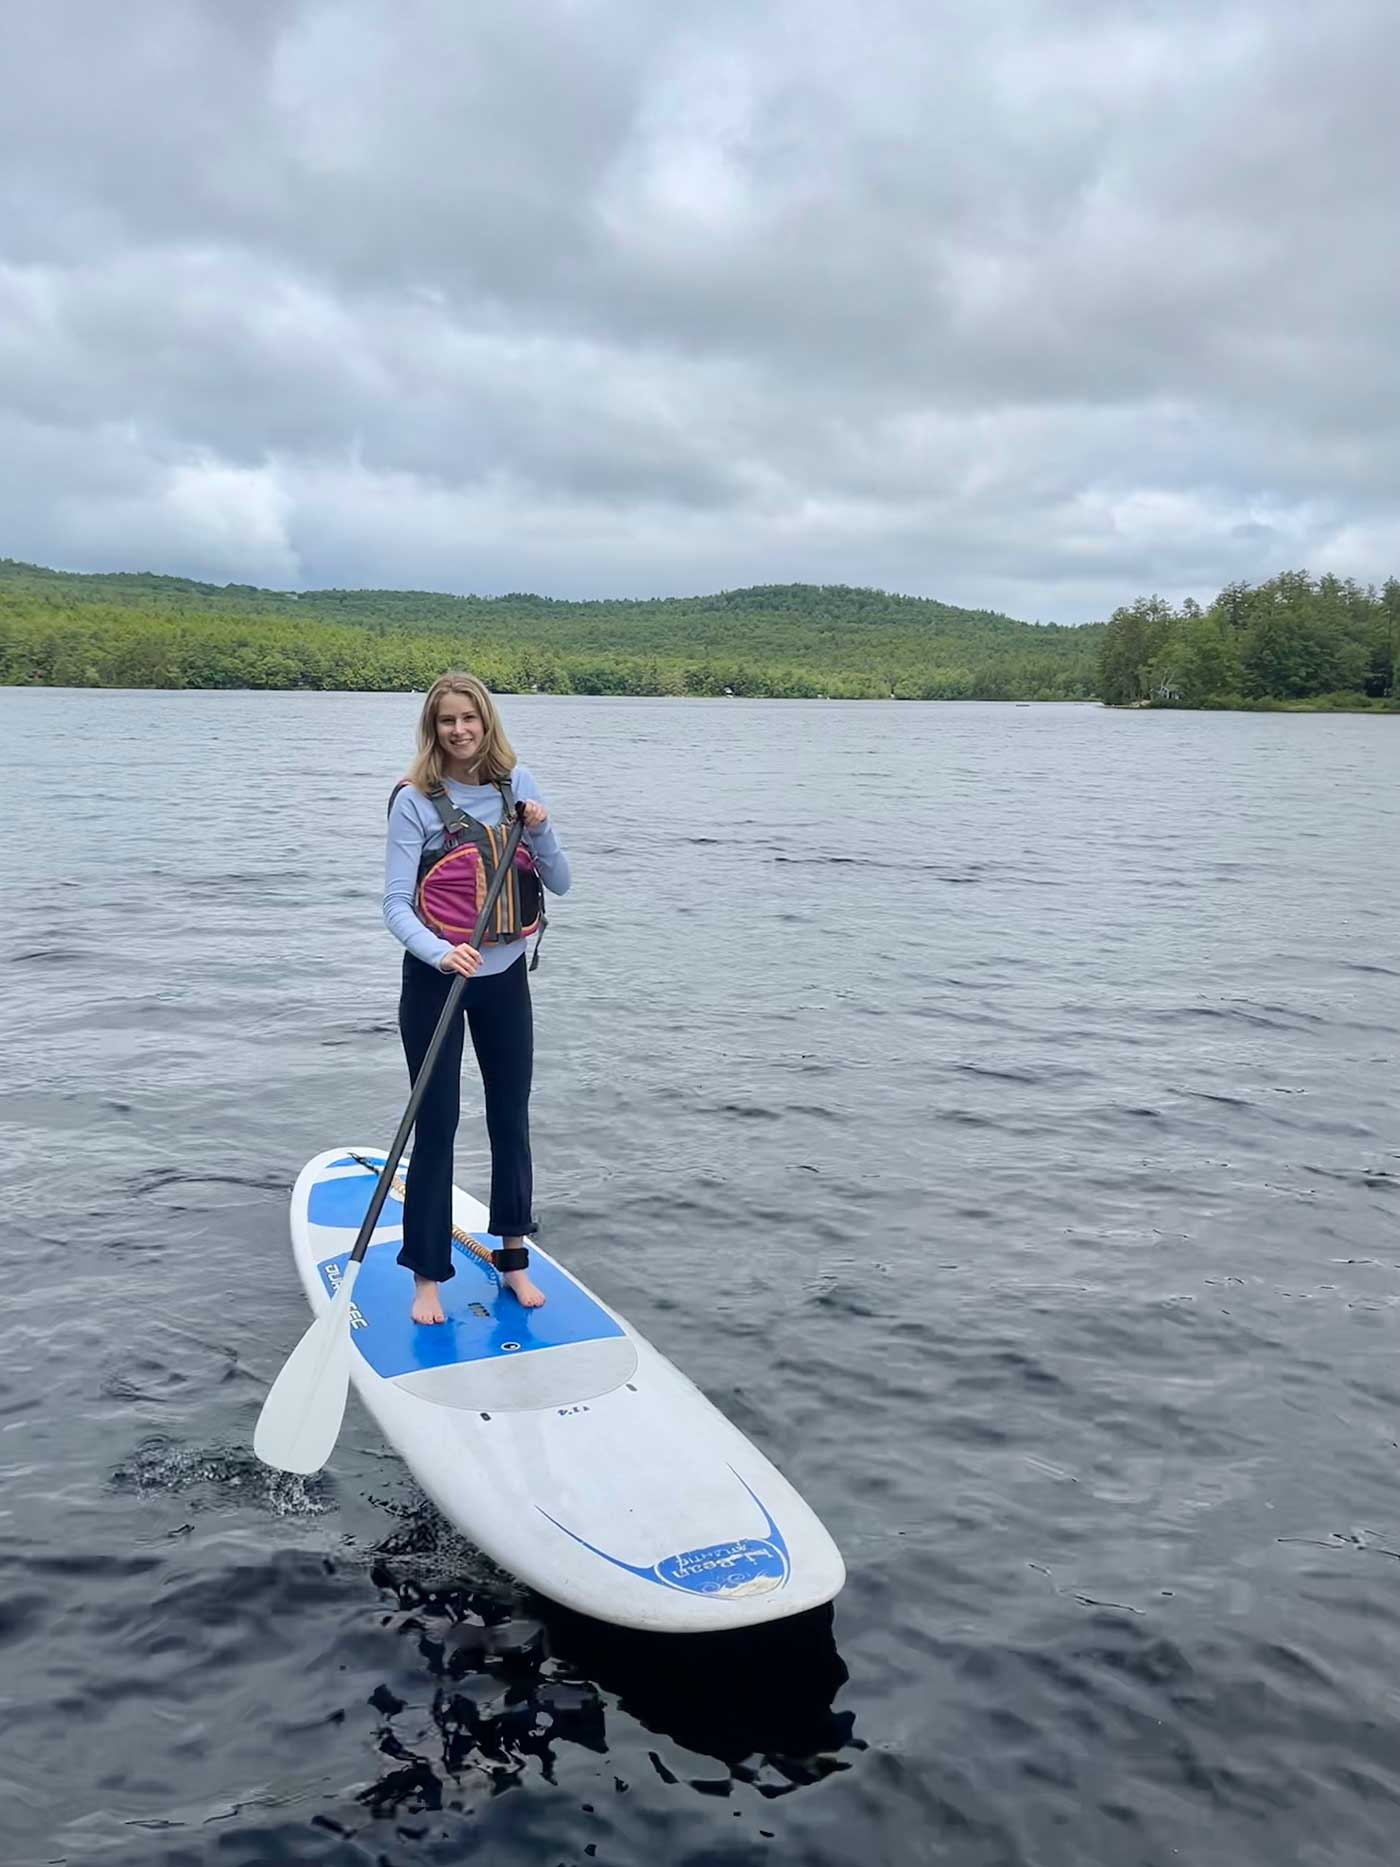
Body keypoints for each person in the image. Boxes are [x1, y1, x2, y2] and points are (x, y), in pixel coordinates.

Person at [383, 672, 571, 1324]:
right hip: (437, 979)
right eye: (446, 721)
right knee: (436, 1125)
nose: (459, 730)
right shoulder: (414, 800)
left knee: (509, 1117)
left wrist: (541, 829)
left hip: (505, 979)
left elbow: (563, 882)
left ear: (486, 721)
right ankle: (427, 1275)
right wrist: (441, 950)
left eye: (469, 718)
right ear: (432, 729)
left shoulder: (517, 786)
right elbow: (394, 905)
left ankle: (513, 1257)